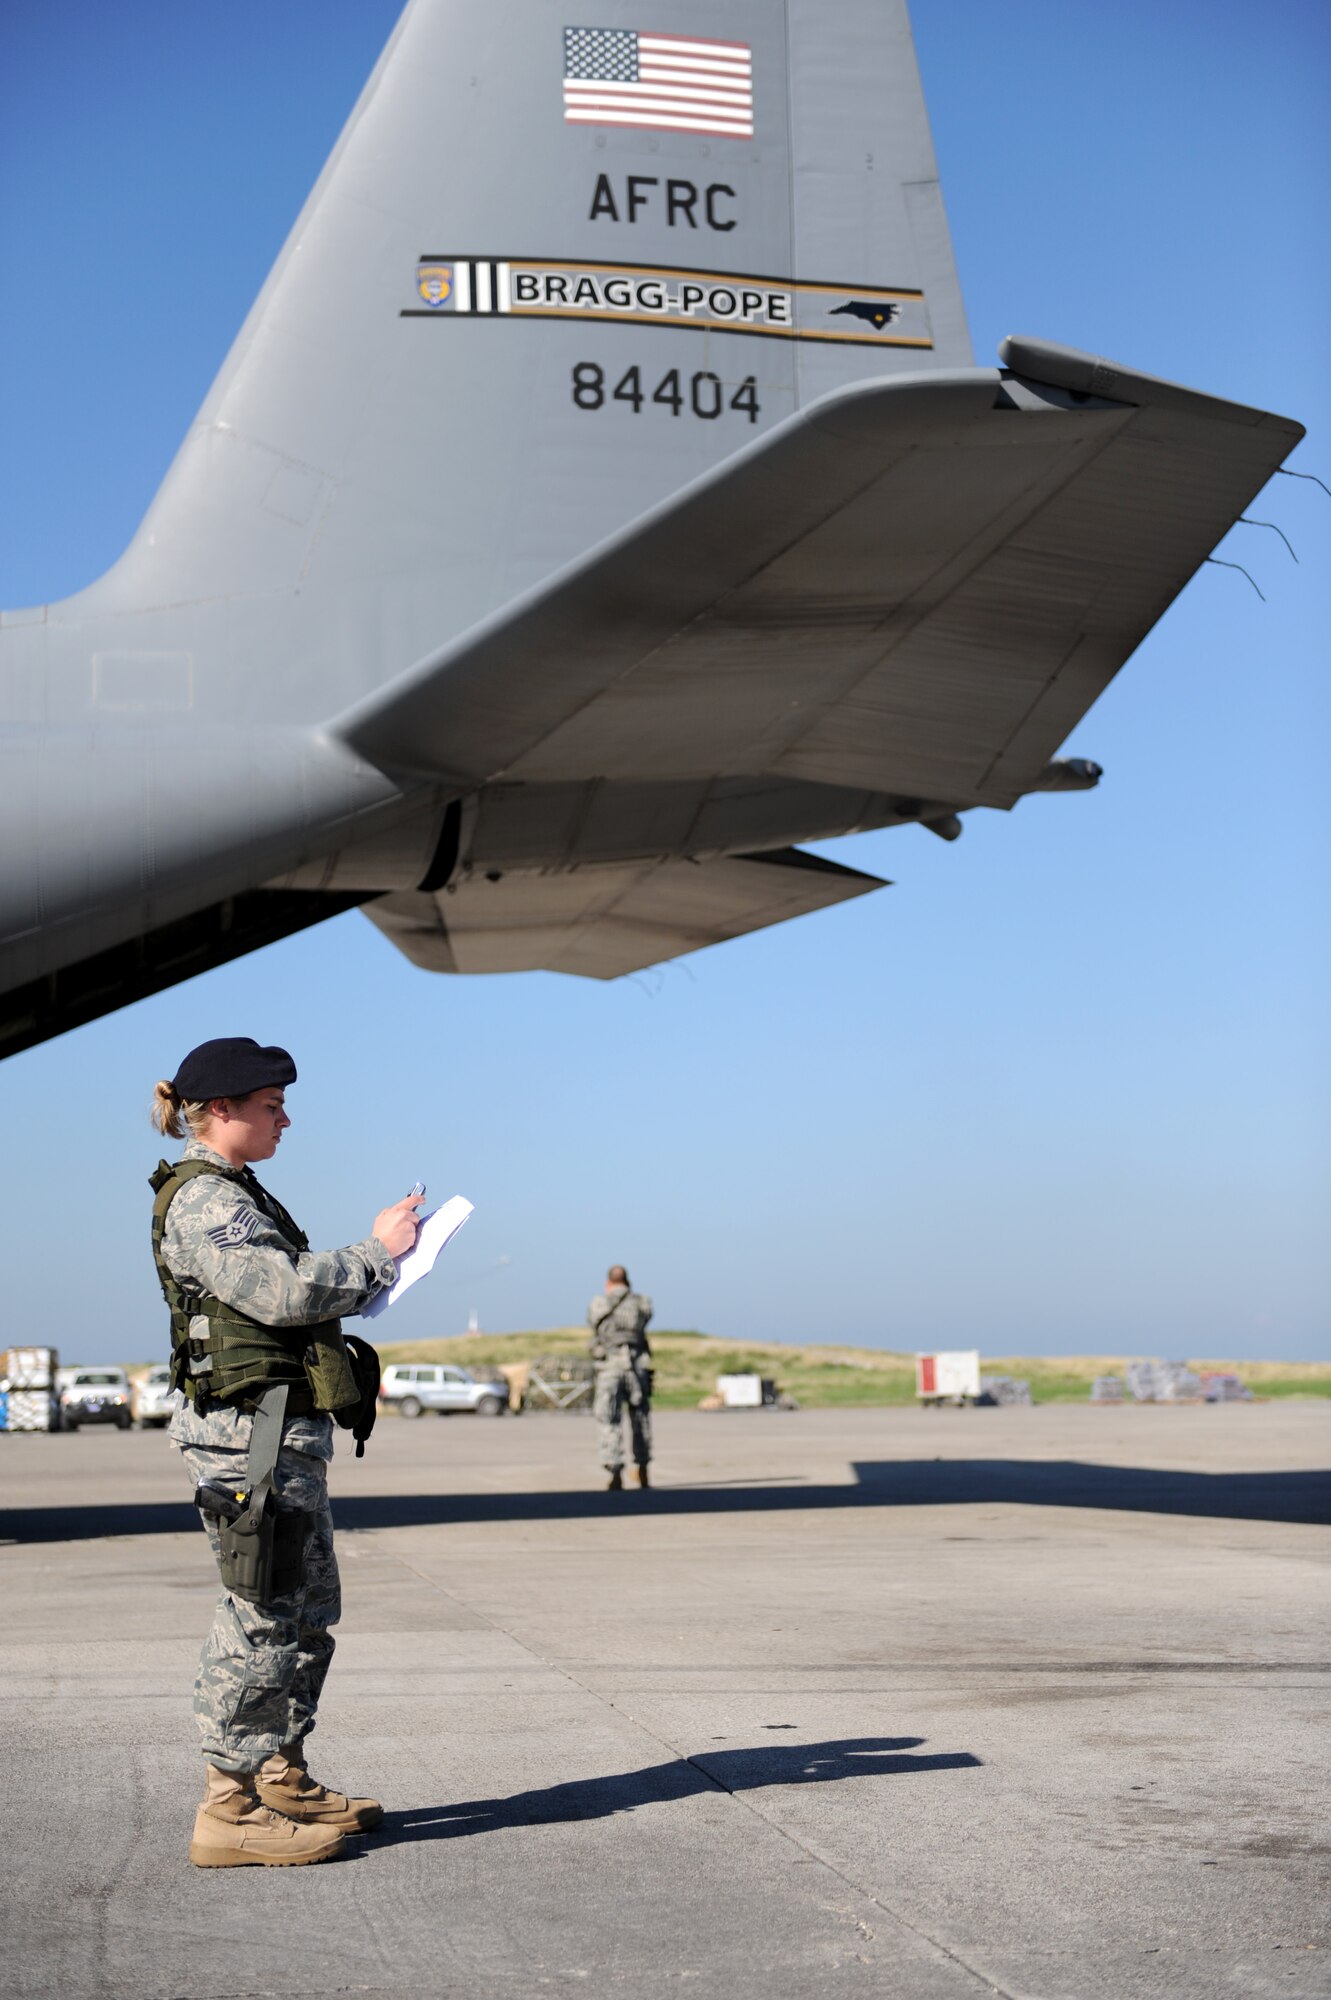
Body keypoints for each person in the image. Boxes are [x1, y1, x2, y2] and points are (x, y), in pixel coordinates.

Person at [148, 1036, 421, 1868]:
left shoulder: (239, 1190)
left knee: (305, 1614)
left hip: (277, 1434)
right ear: (220, 1110)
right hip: (247, 1440)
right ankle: (227, 1809)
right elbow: (283, 1290)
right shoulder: (204, 1198)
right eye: (271, 1107)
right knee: (261, 1615)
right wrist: (378, 1252)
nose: (284, 1120)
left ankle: (278, 1776)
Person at [587, 1265, 654, 1490]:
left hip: (610, 1367)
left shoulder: (599, 1303)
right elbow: (646, 1318)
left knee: (609, 1419)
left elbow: (593, 1323)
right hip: (637, 1366)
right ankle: (643, 1468)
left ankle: (615, 1471)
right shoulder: (642, 1302)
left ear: (608, 1283)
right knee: (640, 1419)